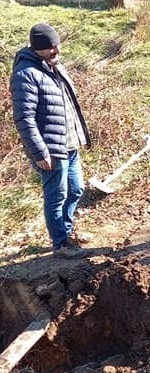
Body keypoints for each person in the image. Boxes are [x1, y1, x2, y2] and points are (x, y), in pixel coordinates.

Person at [10, 23, 92, 258]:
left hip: (69, 144)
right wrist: (40, 152)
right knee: (56, 196)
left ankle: (65, 231)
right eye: (52, 47)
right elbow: (24, 118)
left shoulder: (54, 67)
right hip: (51, 150)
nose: (57, 50)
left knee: (76, 190)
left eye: (58, 45)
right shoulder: (26, 75)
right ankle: (61, 244)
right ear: (39, 48)